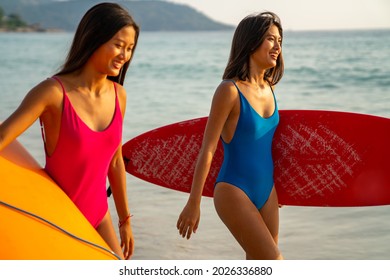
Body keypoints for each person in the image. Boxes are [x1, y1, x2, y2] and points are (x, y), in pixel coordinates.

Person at [0, 2, 139, 260]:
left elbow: (116, 162)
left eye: (130, 48)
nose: (124, 55)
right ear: (93, 38)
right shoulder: (53, 93)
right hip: (58, 219)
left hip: (99, 217)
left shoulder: (119, 96)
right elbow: (2, 138)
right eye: (118, 45)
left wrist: (125, 220)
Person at [176, 12, 284, 260]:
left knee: (259, 265)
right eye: (270, 39)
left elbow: (272, 146)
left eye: (280, 41)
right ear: (251, 41)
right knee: (274, 262)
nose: (278, 47)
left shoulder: (270, 89)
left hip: (268, 191)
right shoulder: (229, 90)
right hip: (234, 189)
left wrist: (285, 188)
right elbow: (208, 149)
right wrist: (194, 202)